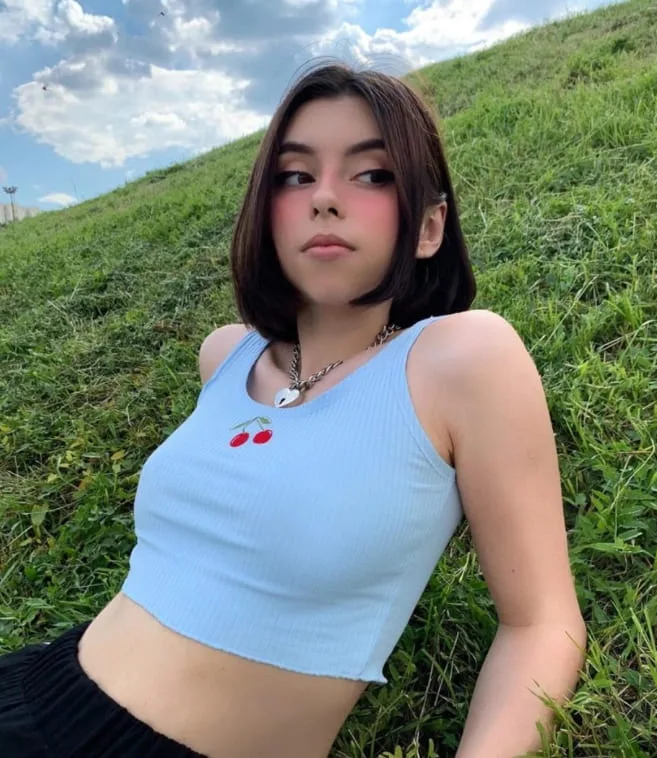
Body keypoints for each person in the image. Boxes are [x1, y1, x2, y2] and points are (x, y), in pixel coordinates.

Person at [0, 62, 587, 758]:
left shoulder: (461, 359)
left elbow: (541, 625)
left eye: (372, 175)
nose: (325, 199)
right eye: (296, 176)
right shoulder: (226, 355)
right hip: (37, 689)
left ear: (429, 226)